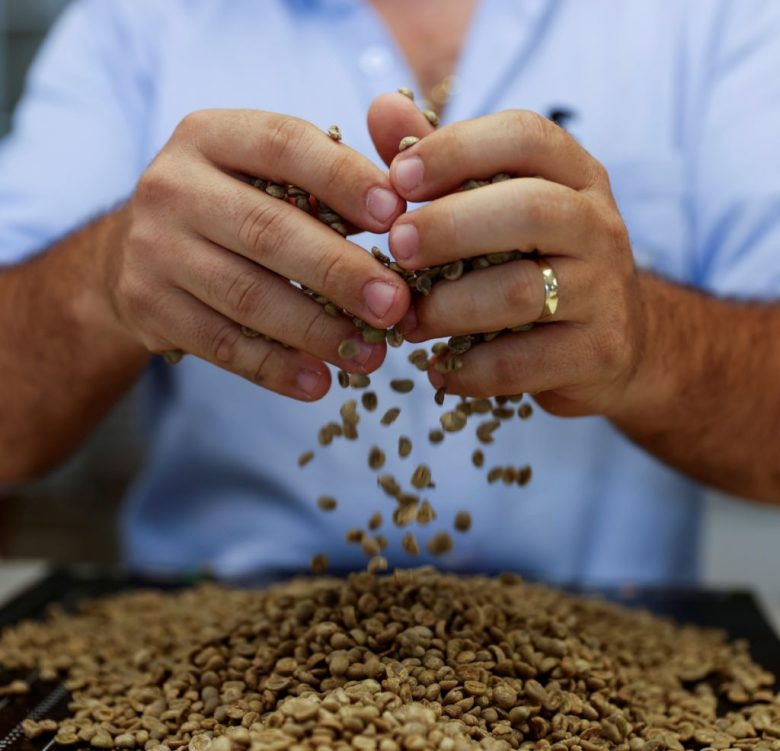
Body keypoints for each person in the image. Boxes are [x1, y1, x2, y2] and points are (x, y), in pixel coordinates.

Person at [1, 0, 779, 583]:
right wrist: (103, 274)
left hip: (605, 665)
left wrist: (648, 341)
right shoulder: (137, 21)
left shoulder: (709, 17)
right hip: (218, 653)